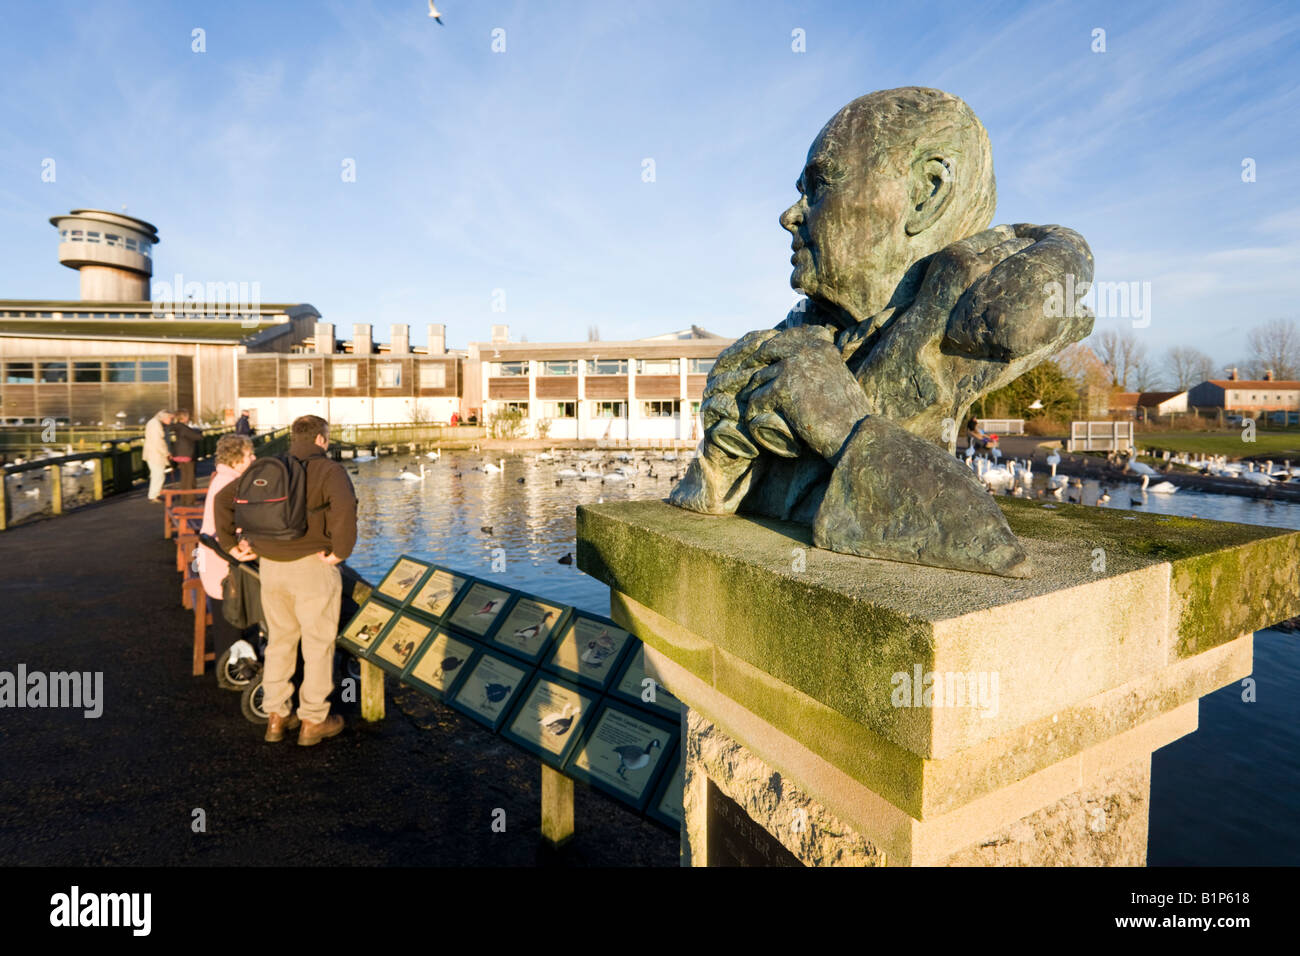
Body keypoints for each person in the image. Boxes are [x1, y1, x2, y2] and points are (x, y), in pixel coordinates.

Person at [215, 414, 357, 746]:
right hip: (313, 568)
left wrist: (231, 547)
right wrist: (340, 552)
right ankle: (313, 720)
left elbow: (223, 501)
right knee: (318, 645)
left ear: (294, 438)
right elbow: (346, 509)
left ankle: (276, 717)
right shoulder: (329, 470)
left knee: (280, 642)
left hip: (271, 567)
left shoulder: (268, 467)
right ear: (322, 439)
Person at [199, 434, 256, 682]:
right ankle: (237, 670)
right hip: (223, 567)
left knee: (229, 619)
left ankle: (234, 666)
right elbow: (228, 527)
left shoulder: (223, 478)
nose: (254, 458)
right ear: (236, 460)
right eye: (249, 455)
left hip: (212, 563)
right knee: (235, 616)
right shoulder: (228, 483)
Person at [168, 409, 203, 490]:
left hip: (178, 453)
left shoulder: (176, 427)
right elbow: (198, 437)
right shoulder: (184, 428)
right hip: (187, 454)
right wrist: (199, 432)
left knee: (184, 476)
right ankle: (189, 499)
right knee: (190, 476)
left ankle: (184, 498)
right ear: (184, 417)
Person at [143, 409, 173, 502]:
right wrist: (166, 453)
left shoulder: (154, 423)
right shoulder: (155, 425)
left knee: (157, 474)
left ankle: (155, 494)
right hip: (155, 454)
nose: (171, 421)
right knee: (158, 475)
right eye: (170, 419)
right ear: (165, 417)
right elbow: (158, 442)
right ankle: (153, 495)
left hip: (154, 453)